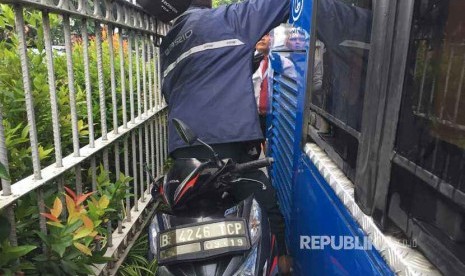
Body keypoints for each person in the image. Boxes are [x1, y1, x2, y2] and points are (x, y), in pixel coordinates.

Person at [151, 0, 292, 273]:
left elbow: (192, 82)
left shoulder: (168, 45)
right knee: (267, 206)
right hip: (226, 151)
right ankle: (283, 264)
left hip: (184, 153)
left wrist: (249, 60)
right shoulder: (228, 19)